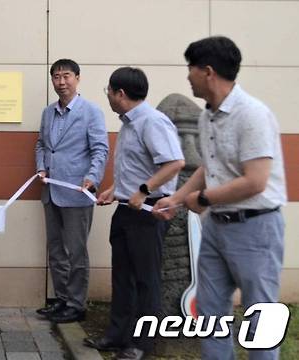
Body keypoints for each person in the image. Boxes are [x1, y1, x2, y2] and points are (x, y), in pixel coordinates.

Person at [153, 36, 286, 360]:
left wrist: (206, 198)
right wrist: (177, 198)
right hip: (217, 228)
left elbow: (255, 181)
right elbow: (209, 168)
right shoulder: (207, 116)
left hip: (255, 228)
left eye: (191, 68)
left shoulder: (252, 115)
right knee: (211, 314)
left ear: (208, 72)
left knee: (260, 318)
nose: (187, 76)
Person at [84, 67, 185, 360]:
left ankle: (142, 344)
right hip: (126, 209)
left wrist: (142, 190)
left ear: (121, 94)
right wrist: (114, 189)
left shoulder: (152, 122)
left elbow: (174, 163)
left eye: (109, 91)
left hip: (149, 212)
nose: (108, 96)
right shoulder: (129, 123)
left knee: (146, 280)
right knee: (123, 276)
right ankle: (117, 335)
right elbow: (136, 166)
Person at [34, 59, 109, 323]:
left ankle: (77, 305)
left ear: (77, 78)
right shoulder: (47, 113)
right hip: (51, 190)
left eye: (66, 76)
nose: (61, 82)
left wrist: (92, 177)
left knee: (76, 251)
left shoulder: (91, 111)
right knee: (55, 249)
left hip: (78, 191)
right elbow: (42, 145)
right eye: (56, 77)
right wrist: (42, 168)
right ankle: (62, 299)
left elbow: (101, 149)